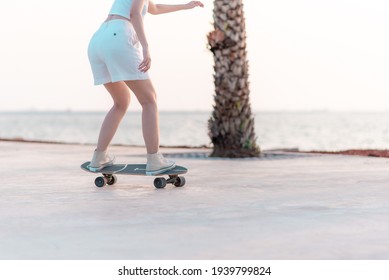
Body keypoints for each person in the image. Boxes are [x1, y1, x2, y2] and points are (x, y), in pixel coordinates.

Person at [87, 0, 204, 175]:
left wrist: (185, 6)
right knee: (149, 100)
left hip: (98, 40)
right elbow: (135, 13)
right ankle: (154, 159)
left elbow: (153, 8)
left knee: (121, 102)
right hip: (118, 35)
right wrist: (145, 46)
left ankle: (99, 156)